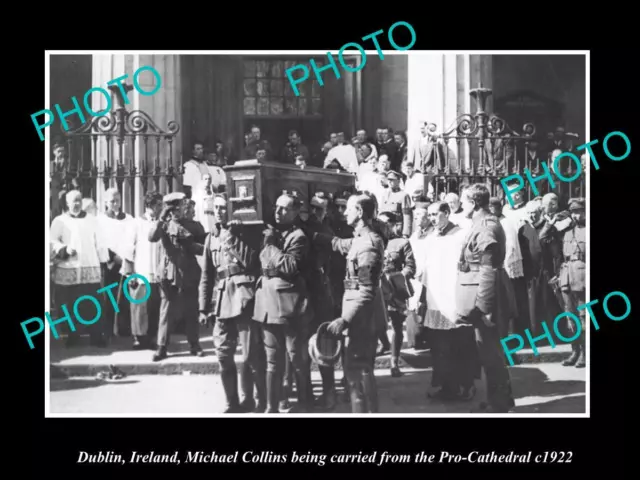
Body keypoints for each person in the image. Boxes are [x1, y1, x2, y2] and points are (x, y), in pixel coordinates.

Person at [310, 194, 385, 413]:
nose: (344, 213)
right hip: (357, 313)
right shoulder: (361, 239)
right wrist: (313, 234)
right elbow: (338, 244)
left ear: (360, 212)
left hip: (361, 316)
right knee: (360, 370)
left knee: (357, 371)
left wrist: (345, 319)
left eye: (349, 209)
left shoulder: (368, 245)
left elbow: (367, 290)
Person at [199, 194, 265, 412]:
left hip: (243, 296)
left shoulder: (244, 231)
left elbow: (251, 261)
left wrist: (233, 235)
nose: (218, 212)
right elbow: (207, 276)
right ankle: (232, 402)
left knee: (250, 355)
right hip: (221, 300)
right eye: (214, 209)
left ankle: (254, 399)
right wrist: (203, 307)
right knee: (223, 354)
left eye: (222, 207)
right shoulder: (211, 238)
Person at [455, 184, 516, 413]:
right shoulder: (481, 224)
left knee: (490, 352)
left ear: (474, 203)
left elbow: (488, 269)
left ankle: (498, 404)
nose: (462, 205)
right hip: (484, 295)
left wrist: (484, 306)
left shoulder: (486, 227)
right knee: (489, 350)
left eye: (464, 201)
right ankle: (500, 399)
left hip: (487, 298)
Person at [253, 192, 311, 413]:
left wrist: (270, 247)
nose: (278, 212)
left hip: (289, 305)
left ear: (295, 212)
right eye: (277, 207)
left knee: (296, 357)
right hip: (267, 304)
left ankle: (305, 403)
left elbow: (289, 267)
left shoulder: (298, 236)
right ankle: (271, 406)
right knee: (272, 359)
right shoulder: (273, 233)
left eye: (285, 208)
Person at [50, 190, 109, 347]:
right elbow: (51, 242)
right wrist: (64, 249)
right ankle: (72, 336)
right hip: (67, 270)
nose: (76, 204)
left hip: (89, 268)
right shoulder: (59, 221)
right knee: (68, 306)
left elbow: (100, 241)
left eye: (78, 200)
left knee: (92, 303)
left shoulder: (92, 220)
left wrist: (103, 260)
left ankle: (96, 336)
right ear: (67, 203)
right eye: (73, 201)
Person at [148, 192, 203, 361]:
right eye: (172, 209)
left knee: (191, 309)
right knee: (166, 311)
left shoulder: (193, 225)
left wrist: (192, 246)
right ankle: (161, 347)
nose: (176, 212)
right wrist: (161, 219)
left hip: (188, 271)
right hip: (168, 272)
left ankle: (194, 344)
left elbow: (204, 246)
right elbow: (151, 237)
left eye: (178, 208)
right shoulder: (163, 225)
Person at [378, 211, 416, 377]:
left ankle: (394, 361)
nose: (383, 226)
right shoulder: (374, 240)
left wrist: (399, 277)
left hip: (395, 288)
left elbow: (411, 266)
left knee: (397, 326)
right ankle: (384, 344)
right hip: (378, 287)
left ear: (394, 225)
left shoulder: (402, 243)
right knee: (378, 322)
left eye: (387, 223)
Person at [557, 198, 586, 368]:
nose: (576, 215)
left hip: (582, 278)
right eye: (573, 212)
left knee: (583, 318)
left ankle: (584, 352)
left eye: (579, 211)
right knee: (570, 317)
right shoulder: (567, 230)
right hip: (566, 277)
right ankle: (574, 350)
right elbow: (544, 236)